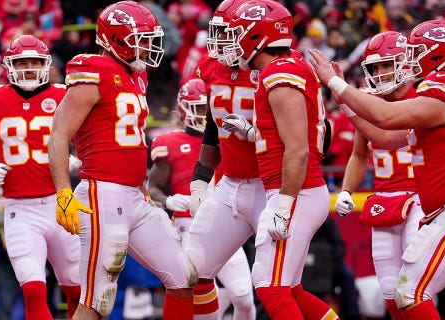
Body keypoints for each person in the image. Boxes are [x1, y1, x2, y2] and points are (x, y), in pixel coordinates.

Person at [308, 20, 445, 319]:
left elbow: (386, 118)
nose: (410, 59)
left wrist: (337, 84)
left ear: (438, 55)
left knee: (409, 292)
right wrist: (346, 103)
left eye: (416, 51)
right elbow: (385, 138)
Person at [46, 2, 196, 319]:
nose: (147, 46)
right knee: (96, 301)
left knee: (183, 276)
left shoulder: (134, 77)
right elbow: (59, 134)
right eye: (139, 39)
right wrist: (63, 193)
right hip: (102, 193)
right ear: (115, 39)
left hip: (133, 194)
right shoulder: (93, 71)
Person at [219, 1, 339, 318]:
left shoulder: (279, 75)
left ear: (255, 36)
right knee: (290, 289)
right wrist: (250, 133)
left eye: (236, 33)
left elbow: (298, 147)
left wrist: (284, 204)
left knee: (270, 287)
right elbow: (287, 135)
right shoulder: (289, 66)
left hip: (295, 191)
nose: (231, 42)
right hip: (301, 189)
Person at [0, 34, 81, 320]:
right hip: (20, 209)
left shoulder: (64, 95)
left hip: (61, 204)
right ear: (9, 65)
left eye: (34, 61)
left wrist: (79, 159)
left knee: (77, 291)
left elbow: (90, 140)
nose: (28, 67)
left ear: (46, 64)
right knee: (32, 289)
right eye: (22, 62)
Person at [334, 31, 424, 320]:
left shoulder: (424, 98)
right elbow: (360, 155)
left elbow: (388, 133)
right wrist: (346, 190)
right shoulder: (368, 101)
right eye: (375, 67)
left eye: (386, 64)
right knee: (390, 292)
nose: (380, 73)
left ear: (405, 63)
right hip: (385, 201)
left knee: (415, 287)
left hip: (423, 199)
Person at [149, 77, 256, 320]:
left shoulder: (227, 138)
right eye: (198, 108)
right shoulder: (169, 142)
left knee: (243, 297)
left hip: (224, 223)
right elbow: (152, 187)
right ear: (183, 110)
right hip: (187, 226)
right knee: (202, 293)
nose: (204, 114)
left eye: (206, 107)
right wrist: (167, 201)